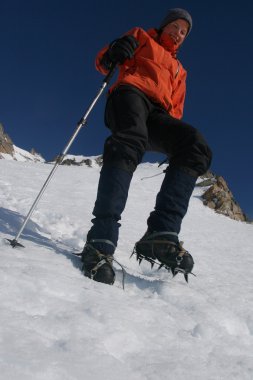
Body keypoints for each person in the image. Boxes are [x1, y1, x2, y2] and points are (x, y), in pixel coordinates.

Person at [81, 8, 212, 285]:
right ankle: (100, 241)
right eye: (175, 27)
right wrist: (117, 49)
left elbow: (176, 110)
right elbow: (105, 62)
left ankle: (161, 234)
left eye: (184, 32)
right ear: (164, 26)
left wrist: (170, 136)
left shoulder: (180, 70)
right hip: (130, 94)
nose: (179, 33)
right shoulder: (141, 36)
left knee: (195, 145)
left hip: (159, 115)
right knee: (130, 140)